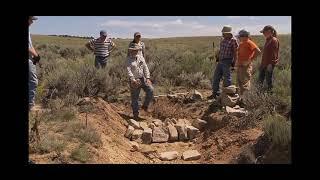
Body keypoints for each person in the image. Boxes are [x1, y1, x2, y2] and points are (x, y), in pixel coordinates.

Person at [209, 25, 239, 99]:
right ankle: (215, 93)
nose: (222, 34)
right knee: (216, 77)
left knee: (227, 78)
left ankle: (227, 95)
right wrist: (217, 57)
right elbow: (221, 50)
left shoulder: (233, 40)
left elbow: (235, 53)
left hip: (227, 61)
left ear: (229, 33)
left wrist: (234, 63)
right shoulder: (222, 39)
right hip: (220, 60)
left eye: (224, 33)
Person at [126, 43, 153, 120]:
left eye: (136, 50)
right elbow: (128, 71)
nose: (135, 51)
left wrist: (147, 78)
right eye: (133, 50)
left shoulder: (141, 57)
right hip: (134, 80)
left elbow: (145, 68)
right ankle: (135, 114)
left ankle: (145, 106)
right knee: (135, 97)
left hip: (142, 78)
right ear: (130, 51)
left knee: (150, 90)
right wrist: (133, 80)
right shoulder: (128, 59)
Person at [236, 29, 261, 95]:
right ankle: (241, 98)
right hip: (240, 66)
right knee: (240, 82)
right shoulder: (241, 43)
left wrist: (249, 60)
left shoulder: (249, 42)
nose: (239, 37)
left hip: (245, 66)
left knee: (245, 83)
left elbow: (258, 51)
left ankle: (245, 100)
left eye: (240, 36)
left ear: (244, 36)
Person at [258, 25, 280, 92]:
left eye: (264, 32)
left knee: (268, 80)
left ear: (270, 32)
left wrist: (270, 64)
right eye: (263, 33)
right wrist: (262, 64)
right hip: (264, 63)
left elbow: (274, 54)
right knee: (261, 78)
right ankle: (260, 92)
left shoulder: (274, 40)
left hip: (269, 64)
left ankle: (270, 94)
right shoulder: (268, 40)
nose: (264, 34)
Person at [28, 16, 40, 111]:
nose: (32, 22)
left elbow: (30, 46)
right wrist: (36, 55)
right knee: (33, 81)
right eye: (31, 19)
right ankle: (30, 105)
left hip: (30, 57)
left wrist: (36, 56)